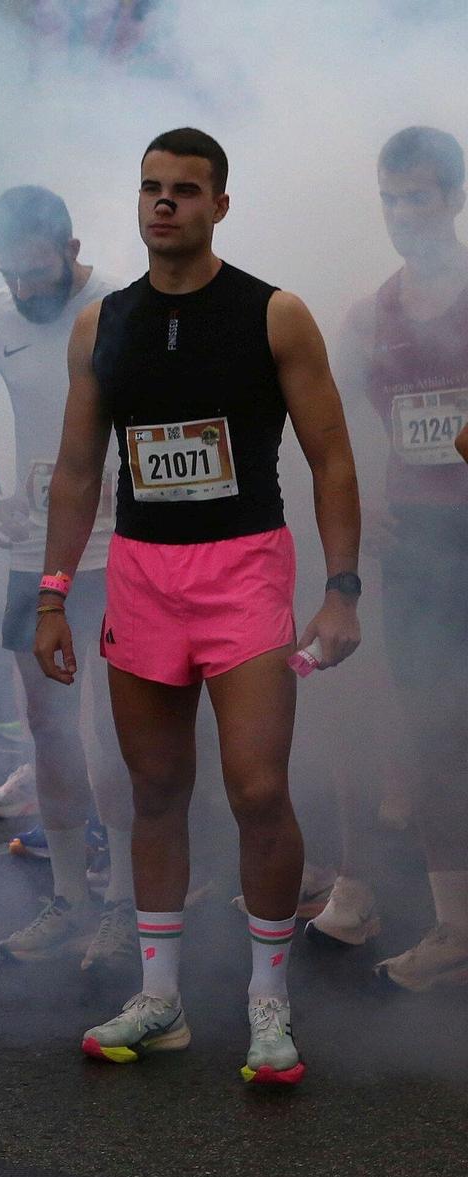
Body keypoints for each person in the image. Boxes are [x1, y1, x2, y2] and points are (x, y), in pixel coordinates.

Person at [36, 129, 361, 1085]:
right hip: (141, 574)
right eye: (149, 189)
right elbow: (76, 469)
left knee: (257, 787)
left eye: (184, 190)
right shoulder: (103, 325)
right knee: (156, 792)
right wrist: (53, 596)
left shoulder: (276, 314)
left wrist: (341, 591)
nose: (162, 204)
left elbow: (332, 456)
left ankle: (269, 1006)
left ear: (221, 204)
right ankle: (162, 999)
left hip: (245, 570)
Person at [0, 186, 138, 968]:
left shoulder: (122, 305)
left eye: (39, 272)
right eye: (12, 273)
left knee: (117, 736)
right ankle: (69, 898)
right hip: (36, 552)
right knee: (50, 730)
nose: (25, 290)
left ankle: (127, 903)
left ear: (71, 250)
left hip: (121, 548)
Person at [336, 126, 468, 989]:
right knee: (433, 736)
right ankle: (456, 928)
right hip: (417, 548)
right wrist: (364, 507)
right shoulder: (366, 315)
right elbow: (334, 431)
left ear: (454, 198)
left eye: (418, 195)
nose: (401, 214)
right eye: (389, 198)